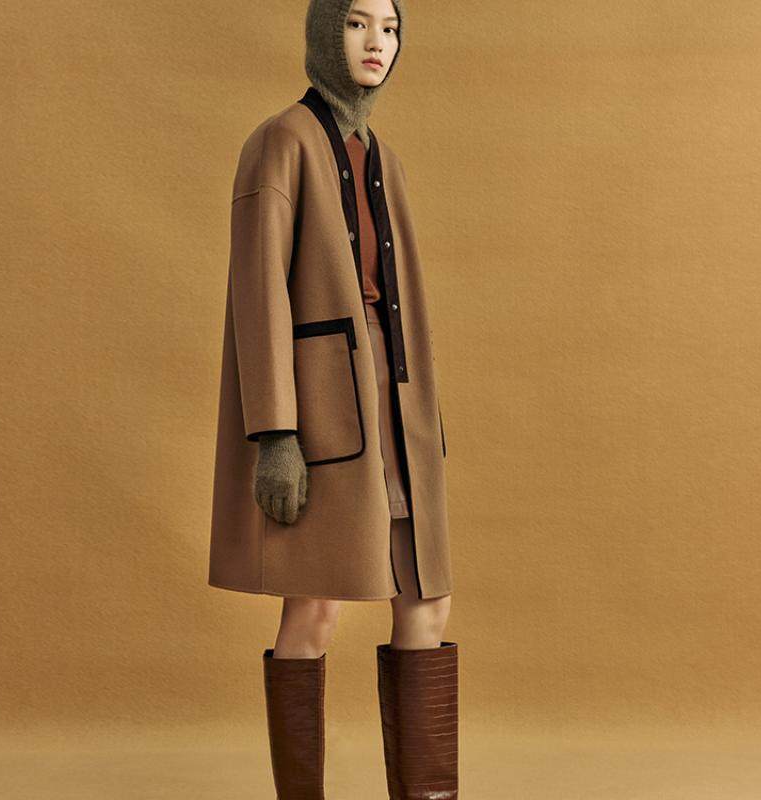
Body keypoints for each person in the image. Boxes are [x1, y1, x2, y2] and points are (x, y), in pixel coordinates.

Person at [208, 0, 458, 796]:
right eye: (356, 23)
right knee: (313, 611)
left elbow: (404, 304)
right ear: (323, 32)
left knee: (427, 606)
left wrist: (424, 423)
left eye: (389, 27)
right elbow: (259, 294)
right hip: (321, 416)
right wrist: (275, 433)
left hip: (397, 411)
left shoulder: (385, 157)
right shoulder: (280, 142)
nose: (377, 42)